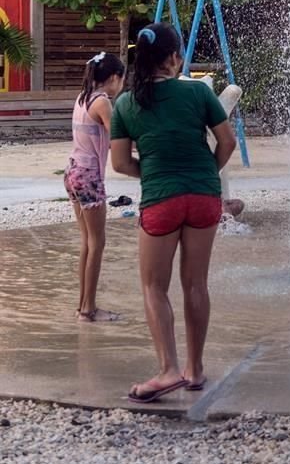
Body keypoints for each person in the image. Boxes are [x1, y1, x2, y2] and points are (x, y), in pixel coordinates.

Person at [110, 23, 236, 403]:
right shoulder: (198, 91)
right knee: (196, 284)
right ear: (173, 58)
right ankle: (194, 370)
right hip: (203, 196)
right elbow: (227, 142)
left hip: (160, 199)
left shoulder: (126, 104)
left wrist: (155, 173)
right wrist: (204, 174)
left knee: (154, 287)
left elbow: (120, 163)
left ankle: (168, 369)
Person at [64, 51, 125, 323]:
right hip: (88, 177)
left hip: (72, 172)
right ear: (113, 78)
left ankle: (83, 305)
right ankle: (88, 310)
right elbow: (118, 137)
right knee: (97, 242)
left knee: (87, 242)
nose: (122, 85)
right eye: (122, 80)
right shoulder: (102, 102)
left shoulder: (82, 97)